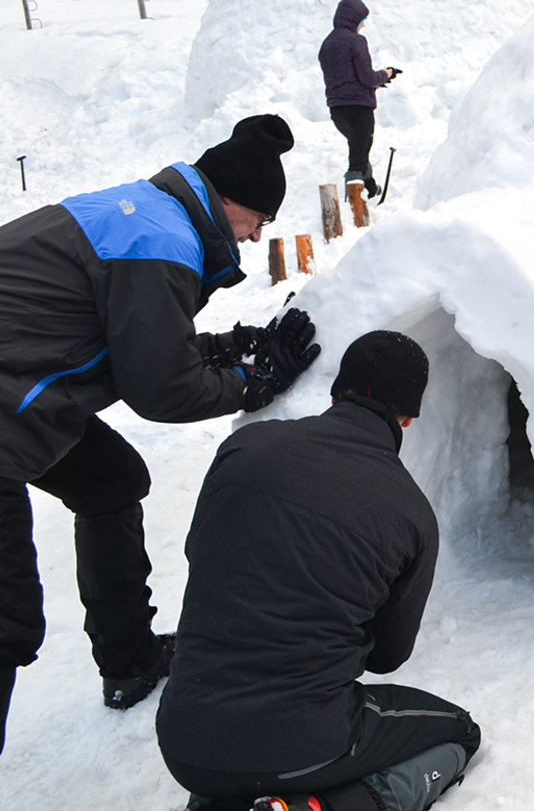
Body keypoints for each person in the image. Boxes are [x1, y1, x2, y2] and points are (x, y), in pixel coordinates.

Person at [0, 114, 322, 754]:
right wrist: (251, 385)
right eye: (259, 222)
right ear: (230, 202)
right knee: (5, 621)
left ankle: (129, 659)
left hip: (20, 388)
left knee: (111, 478)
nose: (258, 238)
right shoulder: (162, 240)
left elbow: (134, 341)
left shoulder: (150, 216)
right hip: (12, 401)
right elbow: (160, 389)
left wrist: (224, 347)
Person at [157, 331, 480, 811]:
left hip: (184, 740)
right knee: (458, 732)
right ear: (408, 418)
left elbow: (199, 552)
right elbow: (388, 655)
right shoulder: (410, 513)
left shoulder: (245, 447)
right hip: (304, 742)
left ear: (335, 391)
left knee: (244, 756)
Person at [318, 0, 397, 199]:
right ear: (353, 19)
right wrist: (386, 73)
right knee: (357, 156)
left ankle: (370, 188)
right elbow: (367, 77)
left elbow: (346, 78)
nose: (363, 24)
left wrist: (375, 84)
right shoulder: (356, 41)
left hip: (337, 110)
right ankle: (354, 204)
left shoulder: (327, 43)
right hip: (359, 110)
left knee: (359, 150)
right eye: (362, 19)